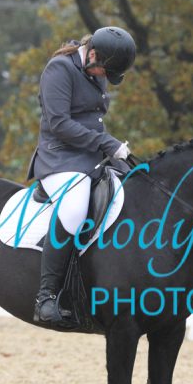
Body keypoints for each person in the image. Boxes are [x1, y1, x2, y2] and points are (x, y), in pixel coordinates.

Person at [26, 26, 136, 328]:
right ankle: (46, 297)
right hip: (60, 156)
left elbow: (92, 120)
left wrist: (111, 148)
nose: (104, 77)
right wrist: (106, 143)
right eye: (104, 70)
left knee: (134, 188)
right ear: (93, 54)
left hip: (91, 154)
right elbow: (59, 123)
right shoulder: (59, 69)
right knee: (74, 209)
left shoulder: (97, 68)